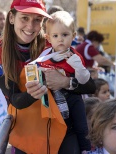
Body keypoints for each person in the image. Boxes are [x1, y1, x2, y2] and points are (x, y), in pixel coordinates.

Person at [0, 0, 95, 154]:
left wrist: (65, 82)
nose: (30, 26)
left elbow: (90, 86)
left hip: (62, 127)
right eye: (25, 18)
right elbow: (15, 99)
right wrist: (33, 94)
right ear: (12, 18)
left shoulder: (52, 41)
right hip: (27, 132)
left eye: (37, 20)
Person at [37, 10, 96, 153]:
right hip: (51, 100)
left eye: (65, 35)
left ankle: (86, 150)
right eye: (55, 36)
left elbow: (85, 81)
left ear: (73, 36)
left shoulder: (75, 56)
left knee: (81, 126)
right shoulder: (44, 56)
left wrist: (77, 67)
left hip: (73, 97)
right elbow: (37, 73)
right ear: (48, 38)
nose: (60, 39)